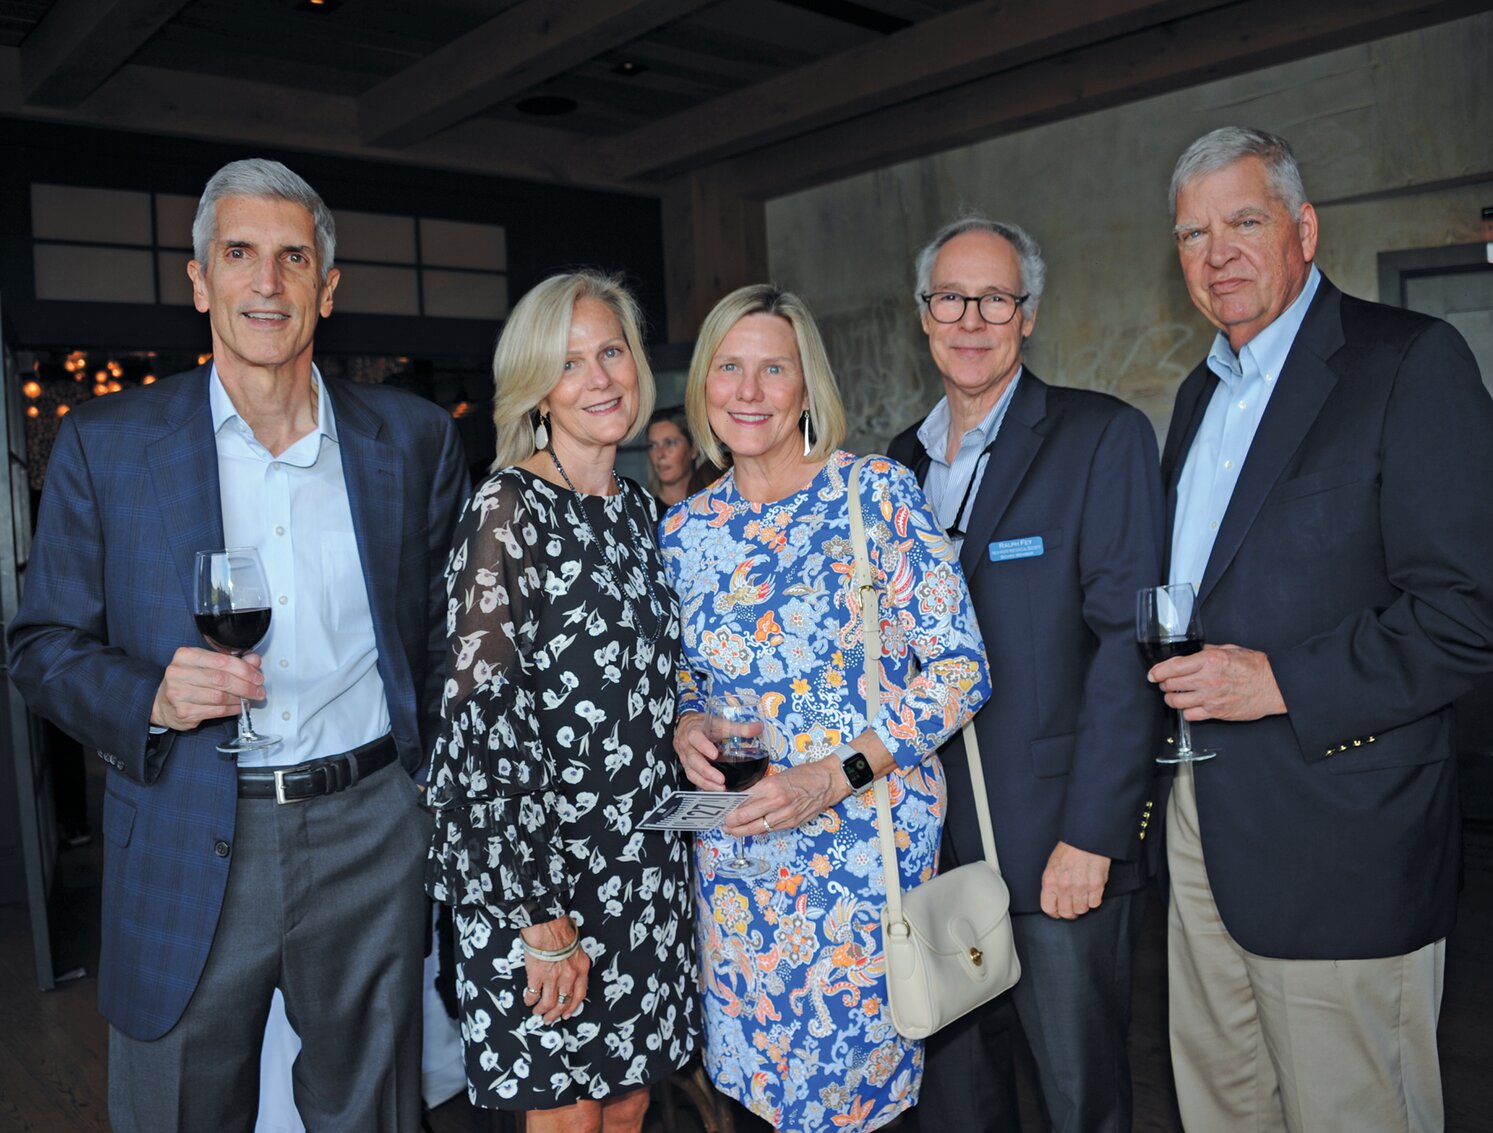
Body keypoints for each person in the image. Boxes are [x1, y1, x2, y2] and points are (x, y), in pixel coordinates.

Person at [5, 158, 469, 1132]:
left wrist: (426, 794)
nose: (267, 282)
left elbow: (441, 635)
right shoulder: (107, 443)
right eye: (241, 254)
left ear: (327, 289)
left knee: (369, 1113)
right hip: (186, 823)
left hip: (368, 828)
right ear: (199, 279)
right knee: (181, 1106)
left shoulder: (414, 439)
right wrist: (149, 697)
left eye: (293, 257)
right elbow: (40, 644)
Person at [1153, 126, 1493, 1131]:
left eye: (1244, 221)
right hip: (1203, 818)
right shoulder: (1197, 396)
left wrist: (1285, 680)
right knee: (1224, 1106)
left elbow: (1472, 609)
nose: (1218, 251)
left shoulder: (1407, 362)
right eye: (1192, 233)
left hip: (1343, 837)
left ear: (1304, 229)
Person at [660, 283, 991, 1133]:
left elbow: (961, 669)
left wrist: (832, 775)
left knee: (859, 1111)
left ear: (808, 387)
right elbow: (686, 678)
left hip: (858, 871)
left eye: (775, 368)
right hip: (737, 877)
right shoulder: (683, 532)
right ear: (703, 386)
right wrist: (687, 721)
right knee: (760, 1103)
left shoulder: (874, 495)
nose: (749, 390)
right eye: (729, 368)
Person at [890, 218, 1164, 1133]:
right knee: (959, 1110)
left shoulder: (1100, 437)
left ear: (1029, 314)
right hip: (929, 857)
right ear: (924, 316)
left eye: (995, 297)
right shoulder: (895, 464)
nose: (972, 318)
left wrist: (1095, 833)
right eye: (951, 298)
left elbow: (1130, 651)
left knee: (1081, 1103)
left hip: (1057, 856)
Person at [425, 271, 700, 1132]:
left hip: (641, 866)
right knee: (567, 1119)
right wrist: (539, 913)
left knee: (627, 1107)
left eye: (611, 351)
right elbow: (480, 724)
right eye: (571, 361)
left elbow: (655, 678)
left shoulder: (633, 514)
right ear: (537, 389)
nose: (601, 377)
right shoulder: (505, 510)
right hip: (539, 875)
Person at [645, 404, 716, 509]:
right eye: (653, 445)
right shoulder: (644, 511)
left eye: (669, 443)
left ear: (694, 449)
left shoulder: (715, 504)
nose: (660, 454)